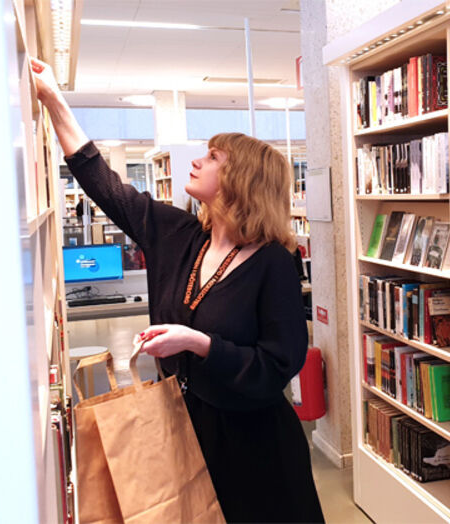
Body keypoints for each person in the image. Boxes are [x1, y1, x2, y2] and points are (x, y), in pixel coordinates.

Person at [30, 58, 324, 523]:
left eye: (211, 157)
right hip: (184, 427)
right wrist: (54, 101)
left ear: (239, 180)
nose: (195, 160)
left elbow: (276, 367)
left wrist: (198, 343)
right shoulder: (179, 235)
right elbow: (105, 186)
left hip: (257, 448)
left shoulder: (274, 263)